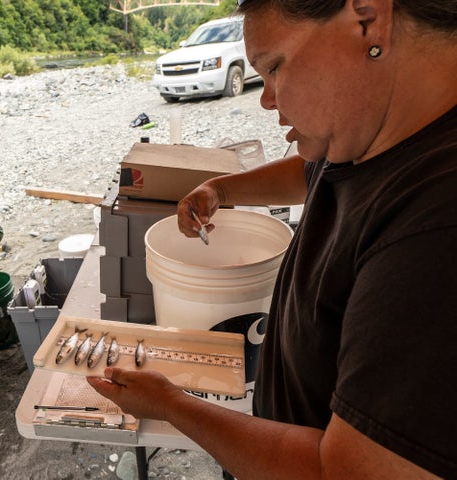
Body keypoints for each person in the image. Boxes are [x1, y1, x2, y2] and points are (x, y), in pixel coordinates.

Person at [88, 0, 457, 478]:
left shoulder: (434, 237)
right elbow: (317, 169)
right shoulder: (375, 127)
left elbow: (342, 471)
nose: (266, 98)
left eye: (276, 66)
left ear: (368, 18)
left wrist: (172, 405)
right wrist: (224, 188)